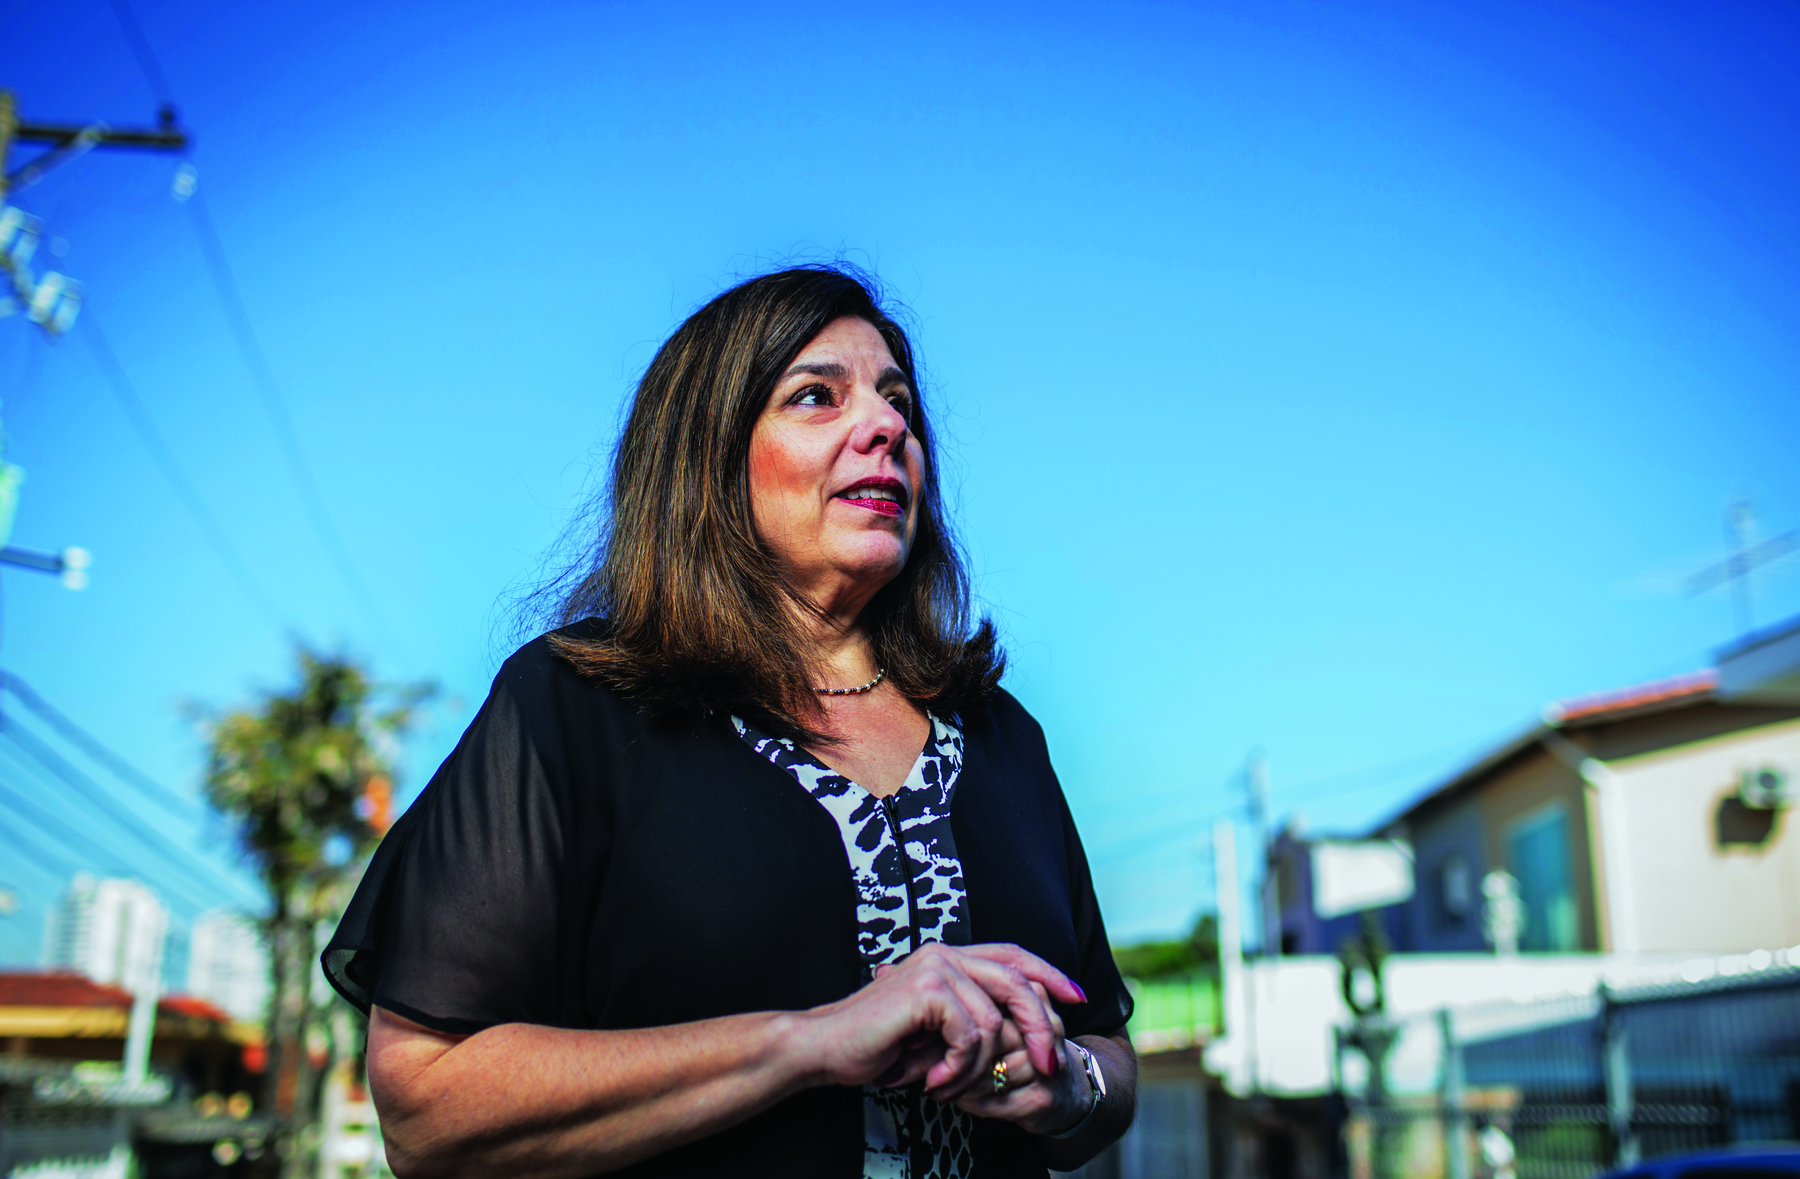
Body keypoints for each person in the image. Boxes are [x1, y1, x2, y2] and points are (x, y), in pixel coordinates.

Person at [323, 266, 1137, 1178]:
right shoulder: (571, 708)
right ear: (708, 457)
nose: (887, 427)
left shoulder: (1000, 737)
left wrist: (1071, 1085)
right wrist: (809, 1040)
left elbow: (1107, 1050)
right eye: (816, 396)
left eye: (898, 403)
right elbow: (426, 1107)